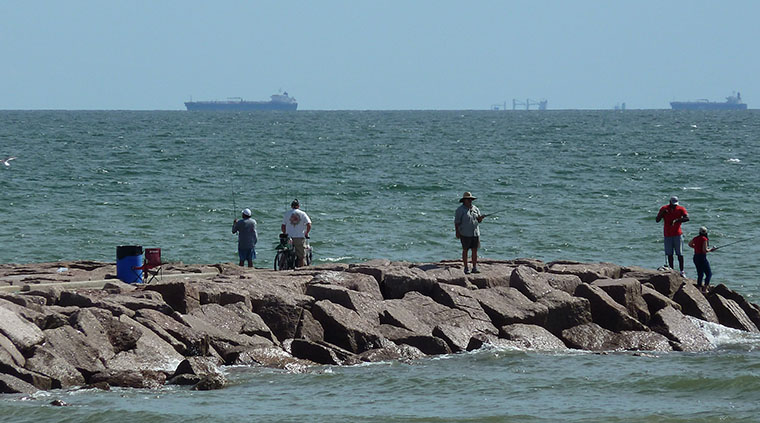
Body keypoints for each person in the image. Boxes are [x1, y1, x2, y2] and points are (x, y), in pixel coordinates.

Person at [656, 195, 689, 276]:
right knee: (669, 254)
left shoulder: (680, 209)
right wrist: (662, 213)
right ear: (669, 202)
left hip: (678, 234)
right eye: (673, 204)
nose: (674, 206)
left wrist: (677, 220)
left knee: (679, 254)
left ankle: (682, 271)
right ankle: (672, 270)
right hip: (667, 234)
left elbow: (687, 218)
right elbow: (657, 220)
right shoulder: (664, 208)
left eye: (675, 205)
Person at [454, 191, 484, 274]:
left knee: (475, 250)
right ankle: (466, 267)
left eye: (471, 199)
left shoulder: (475, 208)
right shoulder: (460, 210)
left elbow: (479, 220)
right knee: (465, 250)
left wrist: (480, 219)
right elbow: (456, 222)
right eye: (468, 199)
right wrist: (457, 232)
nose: (470, 201)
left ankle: (474, 267)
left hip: (475, 233)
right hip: (465, 233)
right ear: (464, 200)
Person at [282, 199, 311, 267]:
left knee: (286, 252)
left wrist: (285, 233)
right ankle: (300, 269)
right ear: (298, 206)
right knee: (301, 256)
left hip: (289, 237)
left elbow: (283, 226)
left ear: (291, 206)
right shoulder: (303, 213)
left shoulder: (287, 213)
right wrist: (306, 233)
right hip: (299, 236)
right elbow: (309, 224)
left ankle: (282, 265)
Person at [688, 226, 716, 293]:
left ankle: (699, 289)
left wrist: (696, 247)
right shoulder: (704, 239)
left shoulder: (696, 238)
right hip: (702, 257)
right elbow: (704, 250)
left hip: (696, 257)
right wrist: (711, 250)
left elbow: (690, 244)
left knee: (700, 274)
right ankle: (705, 289)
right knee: (709, 274)